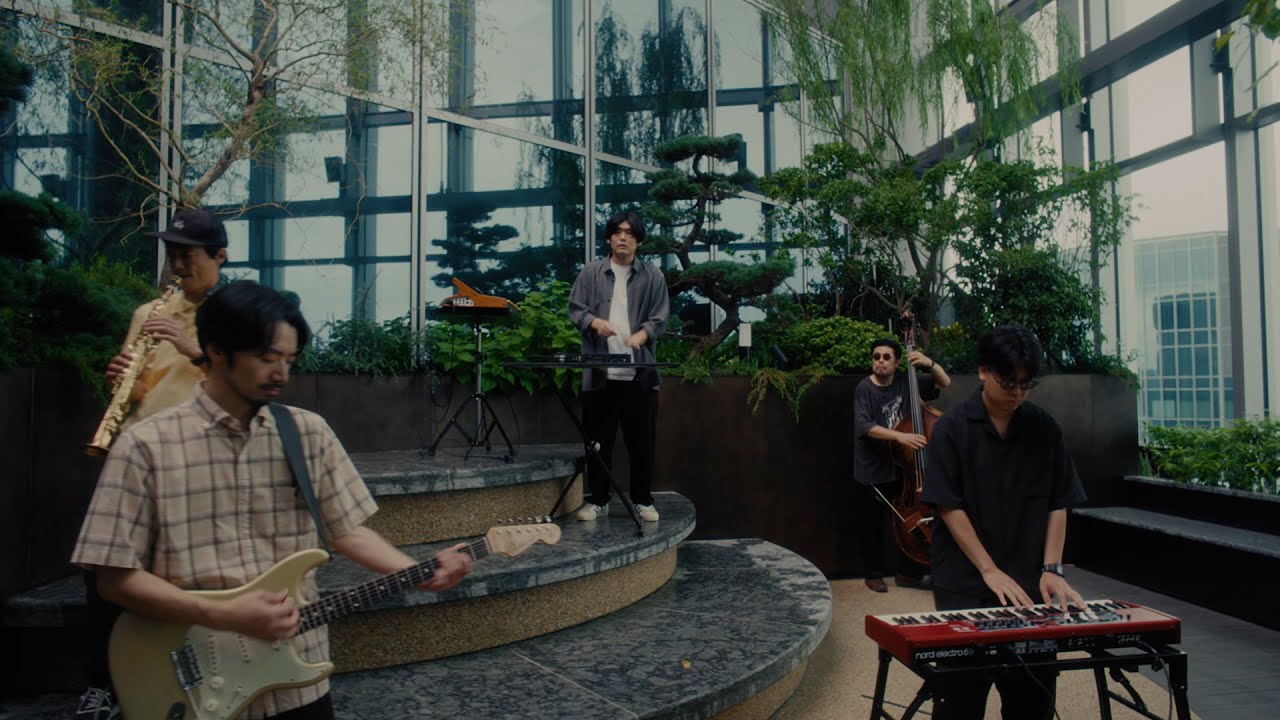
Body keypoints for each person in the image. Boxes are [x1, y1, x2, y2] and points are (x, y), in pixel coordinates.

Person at [71, 280, 473, 719]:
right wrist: (225, 614)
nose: (282, 373)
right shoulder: (145, 446)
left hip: (297, 679)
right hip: (193, 684)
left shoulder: (307, 433)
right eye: (267, 358)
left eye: (289, 360)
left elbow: (347, 531)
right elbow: (114, 579)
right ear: (216, 350)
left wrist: (416, 571)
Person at [76, 207, 229, 719]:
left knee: (184, 580)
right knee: (106, 571)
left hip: (199, 461)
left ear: (220, 256)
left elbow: (246, 383)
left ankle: (189, 683)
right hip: (135, 453)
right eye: (172, 255)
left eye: (188, 256)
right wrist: (121, 379)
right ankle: (103, 684)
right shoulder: (149, 313)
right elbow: (141, 389)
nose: (177, 266)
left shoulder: (237, 315)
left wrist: (191, 347)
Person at [921, 325, 1088, 719]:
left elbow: (1059, 502)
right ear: (983, 371)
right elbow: (948, 507)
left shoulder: (1044, 428)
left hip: (1029, 582)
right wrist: (989, 570)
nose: (1017, 393)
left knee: (1032, 701)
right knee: (961, 701)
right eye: (1008, 382)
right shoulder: (952, 428)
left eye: (1026, 384)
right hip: (965, 581)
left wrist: (1052, 568)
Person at [567, 210, 669, 523]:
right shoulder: (591, 273)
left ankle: (643, 500)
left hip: (640, 376)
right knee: (599, 444)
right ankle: (598, 500)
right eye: (617, 232)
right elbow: (575, 309)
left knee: (642, 444)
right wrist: (594, 322)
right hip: (601, 376)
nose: (623, 238)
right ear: (609, 238)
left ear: (638, 240)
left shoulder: (653, 276)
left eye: (630, 233)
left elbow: (660, 317)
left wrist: (643, 334)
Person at [852, 336, 950, 593]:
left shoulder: (907, 383)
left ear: (897, 363)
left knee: (910, 519)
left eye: (887, 357)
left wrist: (929, 363)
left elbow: (944, 382)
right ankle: (873, 574)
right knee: (873, 525)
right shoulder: (865, 388)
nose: (880, 361)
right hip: (872, 466)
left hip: (903, 465)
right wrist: (900, 436)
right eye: (876, 357)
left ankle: (908, 573)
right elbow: (864, 426)